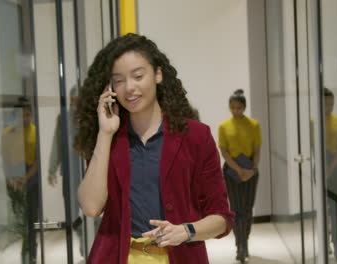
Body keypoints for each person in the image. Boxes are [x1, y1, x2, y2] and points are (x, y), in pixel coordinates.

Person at [74, 33, 234, 264]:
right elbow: (90, 206)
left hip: (180, 257)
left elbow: (222, 218)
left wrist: (186, 231)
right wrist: (105, 133)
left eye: (138, 76)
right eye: (118, 80)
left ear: (158, 74)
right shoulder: (110, 138)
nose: (129, 88)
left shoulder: (196, 136)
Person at [218, 89, 261, 263]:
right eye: (233, 107)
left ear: (244, 107)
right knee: (236, 209)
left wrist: (252, 169)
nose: (236, 111)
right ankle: (240, 246)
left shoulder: (254, 125)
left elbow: (257, 150)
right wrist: (238, 170)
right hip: (231, 171)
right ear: (229, 107)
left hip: (250, 168)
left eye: (239, 107)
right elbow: (224, 151)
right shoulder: (224, 126)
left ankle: (245, 241)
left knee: (248, 209)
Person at [48, 86, 85, 256]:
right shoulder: (63, 118)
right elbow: (57, 144)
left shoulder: (88, 118)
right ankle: (82, 238)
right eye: (73, 99)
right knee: (72, 212)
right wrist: (51, 169)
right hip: (69, 173)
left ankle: (89, 245)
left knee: (90, 209)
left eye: (78, 99)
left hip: (87, 172)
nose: (75, 103)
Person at [1, 97, 38, 264]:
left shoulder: (35, 131)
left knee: (31, 217)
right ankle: (25, 249)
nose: (25, 117)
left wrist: (26, 178)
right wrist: (11, 179)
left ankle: (30, 250)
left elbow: (38, 161)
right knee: (19, 218)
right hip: (13, 180)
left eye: (28, 114)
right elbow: (5, 160)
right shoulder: (7, 133)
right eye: (22, 114)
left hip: (30, 179)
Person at [323, 88, 337, 261]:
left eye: (331, 103)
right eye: (325, 103)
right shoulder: (314, 122)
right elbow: (313, 148)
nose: (329, 106)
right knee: (324, 207)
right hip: (321, 166)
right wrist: (323, 169)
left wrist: (331, 167)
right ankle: (325, 242)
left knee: (336, 206)